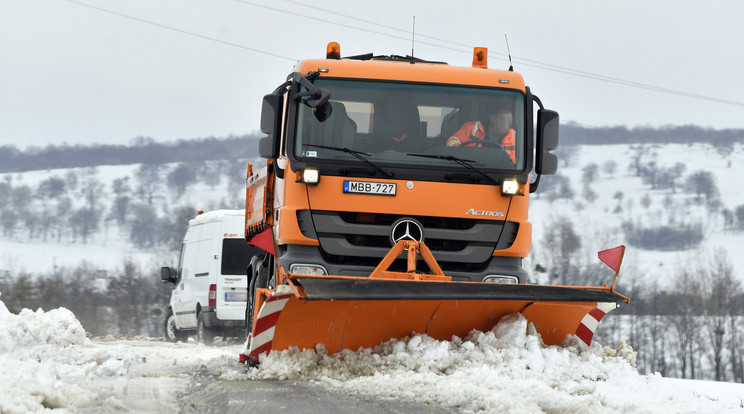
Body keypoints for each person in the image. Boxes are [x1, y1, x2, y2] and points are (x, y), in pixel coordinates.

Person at [445, 108, 516, 162]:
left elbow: (518, 163)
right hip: (468, 167)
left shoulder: (516, 137)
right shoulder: (471, 127)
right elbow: (451, 142)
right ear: (492, 118)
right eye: (502, 120)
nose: (505, 124)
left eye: (509, 121)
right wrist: (462, 153)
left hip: (501, 174)